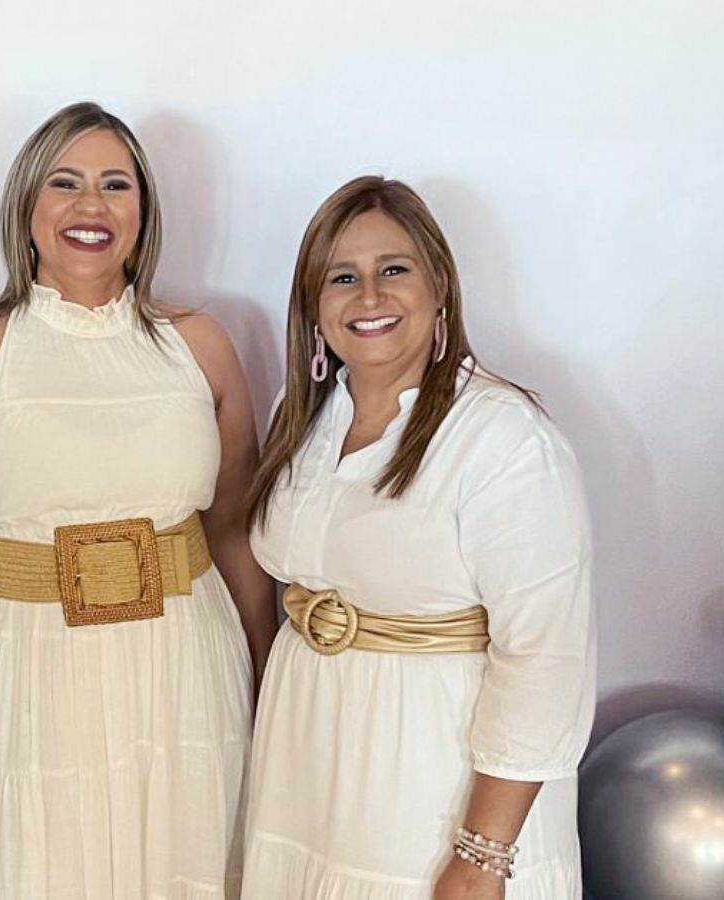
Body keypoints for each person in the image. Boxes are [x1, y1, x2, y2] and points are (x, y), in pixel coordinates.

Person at [0, 101, 276, 899]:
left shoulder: (201, 346)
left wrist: (273, 685)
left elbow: (234, 530)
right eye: (65, 183)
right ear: (27, 208)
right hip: (30, 673)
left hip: (187, 670)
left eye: (114, 186)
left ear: (143, 215)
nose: (90, 207)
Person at [241, 175, 596, 899]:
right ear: (314, 307)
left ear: (440, 287)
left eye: (392, 270)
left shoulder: (502, 437)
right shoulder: (301, 419)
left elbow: (545, 657)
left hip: (433, 780)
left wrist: (483, 853)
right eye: (343, 277)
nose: (368, 298)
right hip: (307, 769)